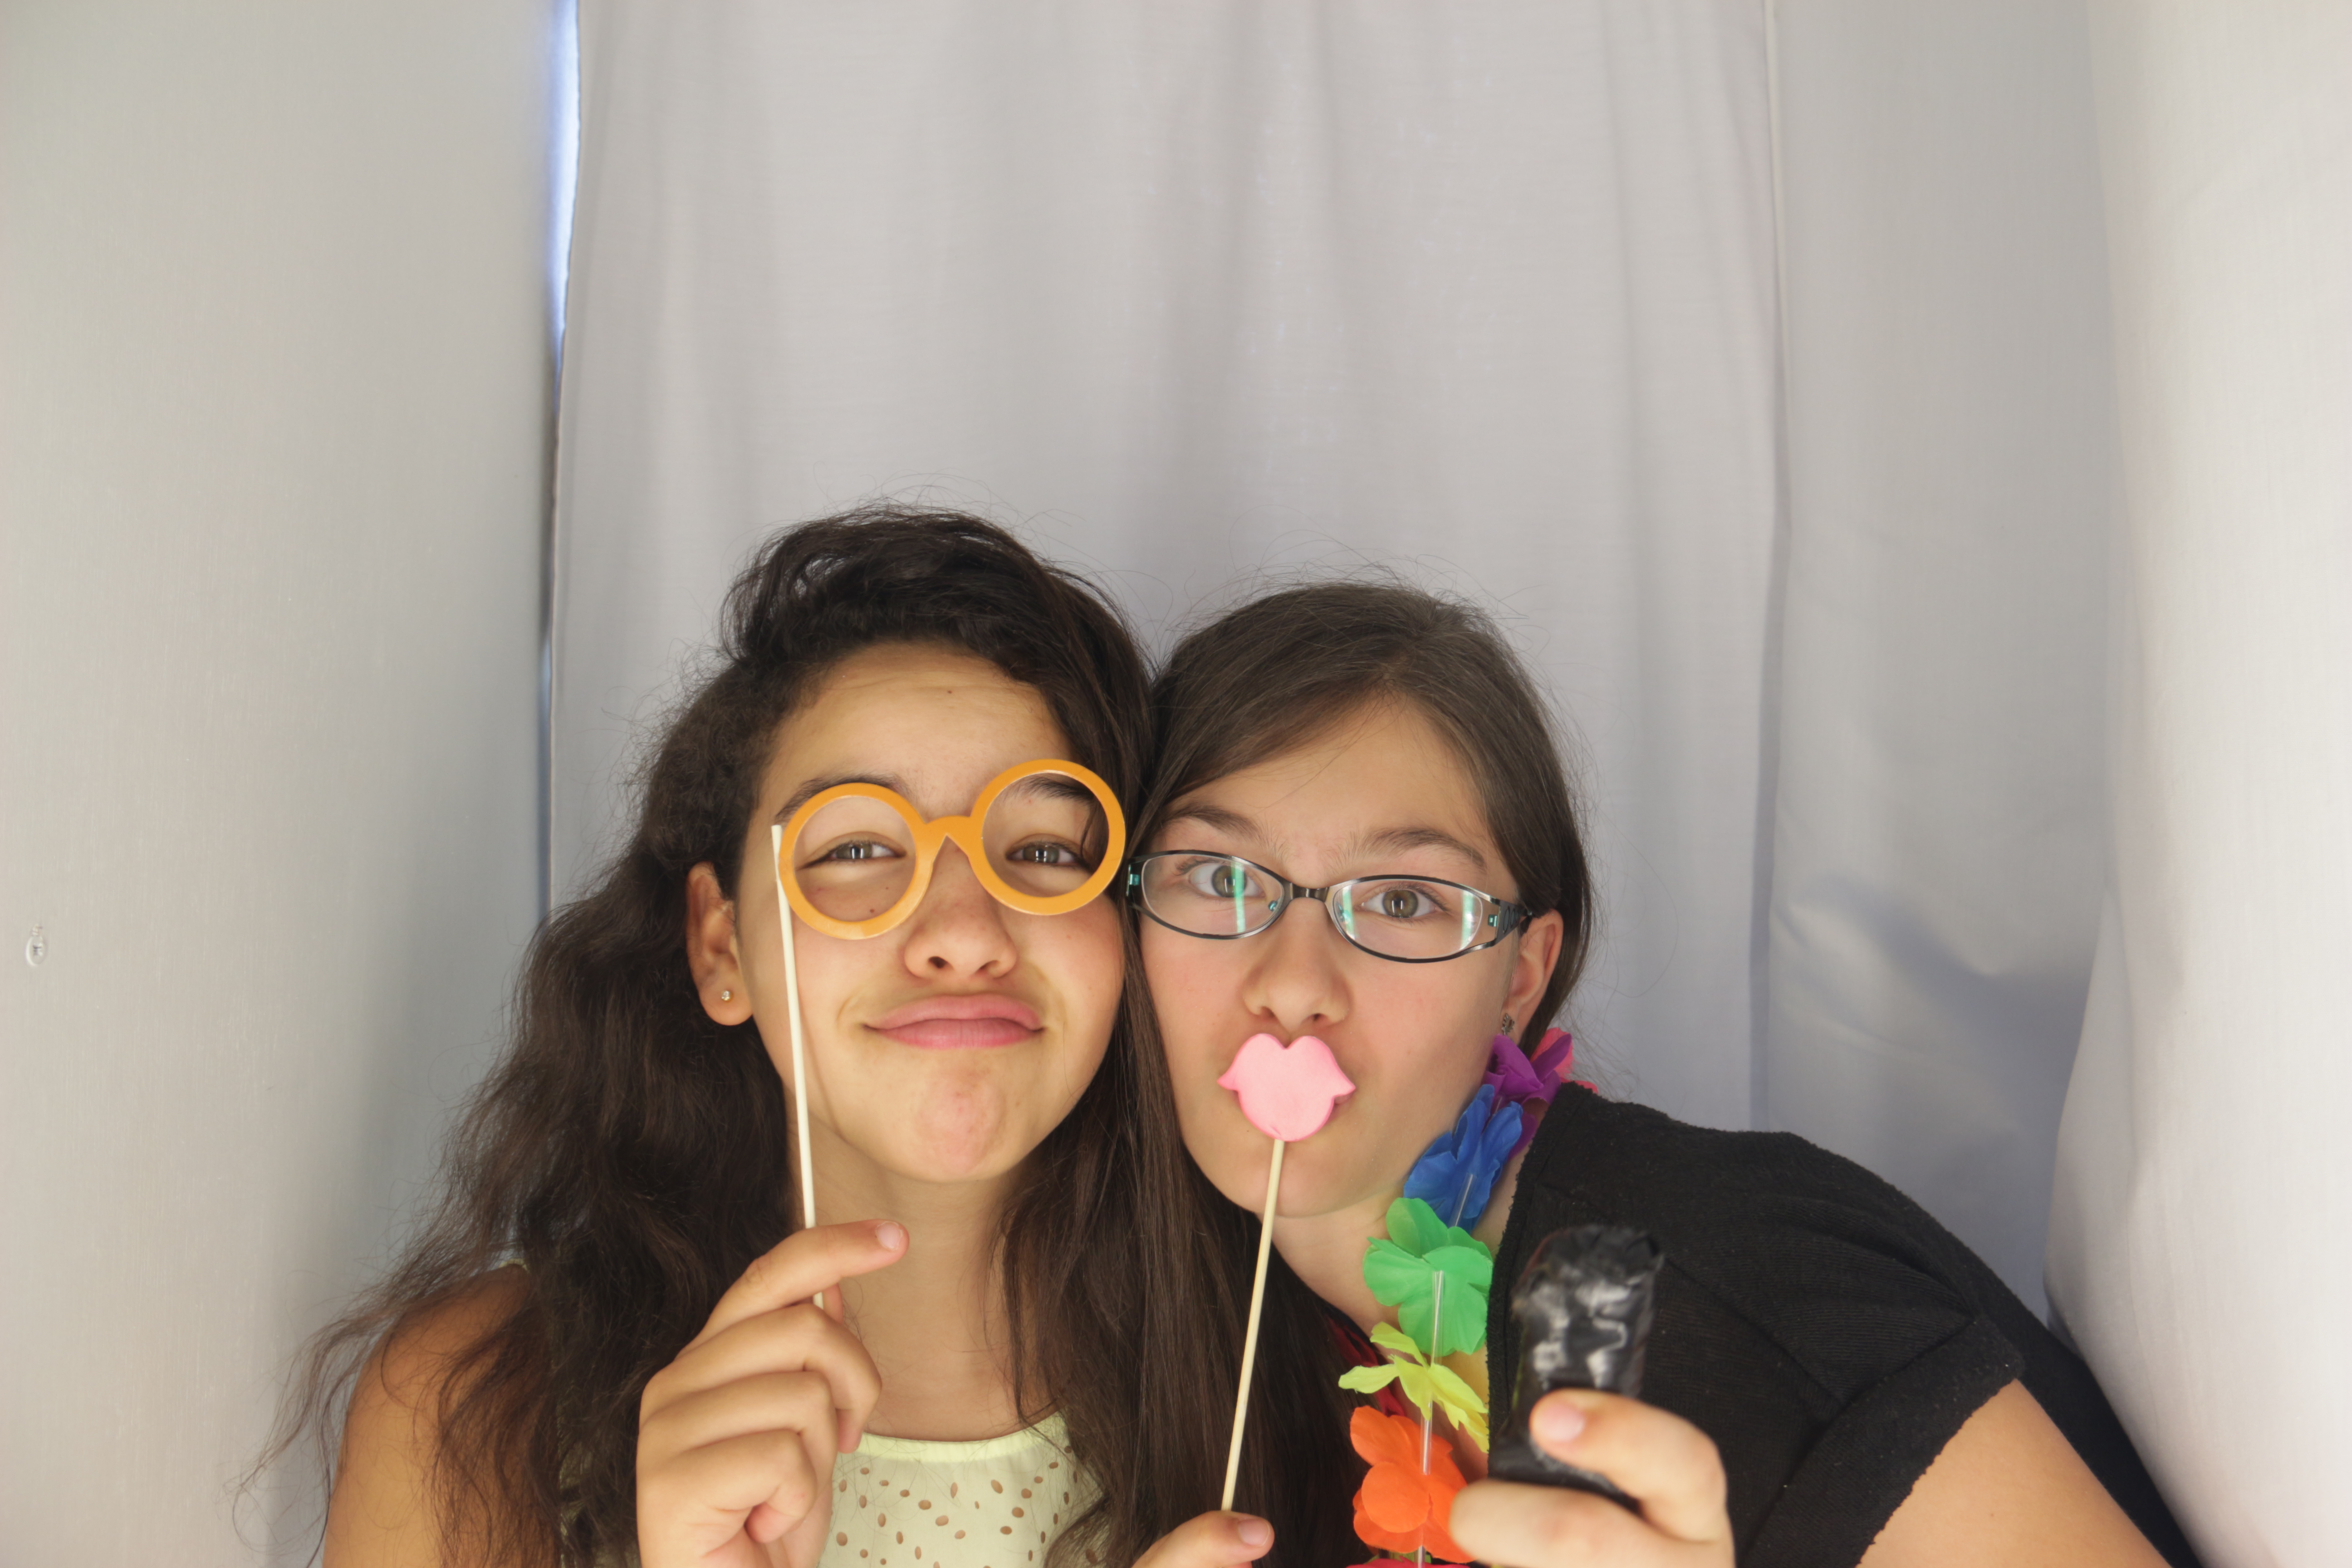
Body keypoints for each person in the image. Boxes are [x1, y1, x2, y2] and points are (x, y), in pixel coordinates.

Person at [269, 509, 1275, 1568]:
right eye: (856, 850)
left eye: (1044, 848)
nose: (964, 935)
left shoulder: (1307, 1375)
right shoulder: (473, 1405)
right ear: (722, 947)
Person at [1130, 579, 2201, 1568]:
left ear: (1521, 978)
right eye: (1219, 878)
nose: (1294, 984)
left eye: (1403, 901)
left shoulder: (1731, 1285)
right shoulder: (1197, 1337)